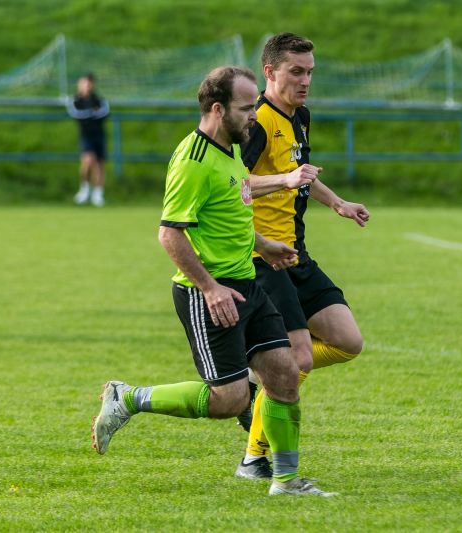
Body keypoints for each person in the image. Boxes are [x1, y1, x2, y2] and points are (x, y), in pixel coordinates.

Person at [90, 65, 336, 497]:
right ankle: (127, 398)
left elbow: (230, 206)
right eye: (246, 108)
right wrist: (209, 287)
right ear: (218, 109)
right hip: (208, 292)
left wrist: (264, 243)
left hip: (248, 284)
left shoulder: (230, 149)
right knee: (229, 401)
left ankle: (286, 481)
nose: (254, 116)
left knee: (284, 374)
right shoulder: (193, 160)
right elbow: (170, 233)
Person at [234, 33, 370, 480]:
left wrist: (337, 203)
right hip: (261, 256)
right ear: (270, 72)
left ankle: (263, 376)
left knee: (348, 341)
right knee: (299, 361)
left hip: (297, 254)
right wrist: (288, 179)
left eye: (310, 71)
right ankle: (255, 457)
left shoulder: (301, 116)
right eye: (296, 71)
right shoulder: (255, 121)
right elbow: (236, 185)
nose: (306, 79)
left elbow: (301, 175)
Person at [66, 73, 110, 207]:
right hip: (86, 135)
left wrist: (92, 114)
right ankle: (84, 189)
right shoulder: (76, 101)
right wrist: (92, 113)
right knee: (88, 160)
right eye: (84, 83)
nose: (87, 86)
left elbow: (105, 112)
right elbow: (77, 115)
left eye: (89, 83)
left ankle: (97, 194)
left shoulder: (99, 100)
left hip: (99, 135)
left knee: (100, 165)